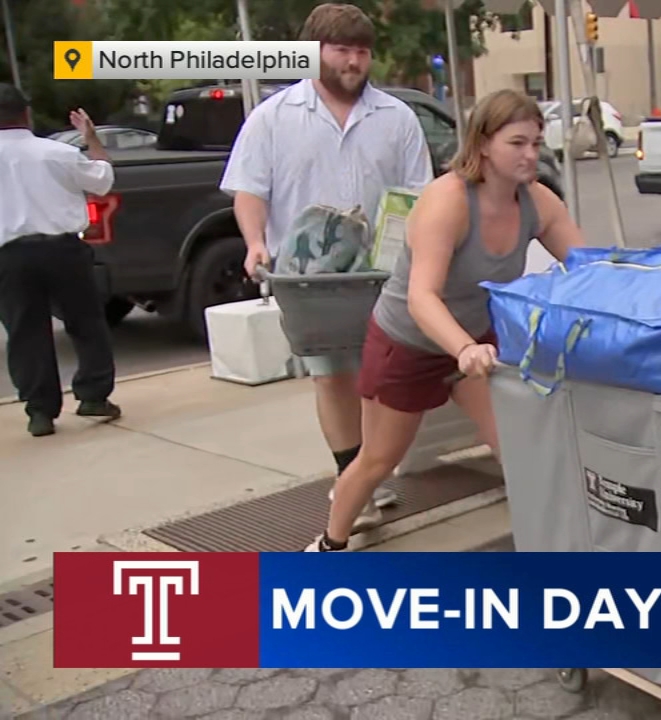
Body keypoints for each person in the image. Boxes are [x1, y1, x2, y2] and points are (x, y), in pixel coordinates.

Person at [306, 89, 586, 552]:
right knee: (377, 459)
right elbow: (422, 297)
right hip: (409, 341)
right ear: (482, 145)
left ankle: (554, 546)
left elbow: (588, 268)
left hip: (475, 340)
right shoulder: (447, 201)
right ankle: (329, 544)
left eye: (536, 142)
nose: (531, 154)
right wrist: (463, 349)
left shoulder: (538, 201)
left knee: (518, 447)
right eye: (517, 143)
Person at [219, 3, 431, 513]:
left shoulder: (396, 118)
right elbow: (249, 191)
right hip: (308, 279)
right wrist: (254, 241)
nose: (354, 62)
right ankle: (355, 472)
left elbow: (420, 195)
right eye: (342, 51)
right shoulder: (272, 118)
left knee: (378, 375)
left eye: (361, 52)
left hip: (383, 270)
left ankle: (372, 464)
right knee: (331, 373)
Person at [0, 84, 121, 437]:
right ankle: (94, 395)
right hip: (63, 250)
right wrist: (91, 138)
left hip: (9, 256)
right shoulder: (56, 152)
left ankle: (40, 412)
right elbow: (102, 179)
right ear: (26, 114)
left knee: (25, 332)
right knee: (86, 323)